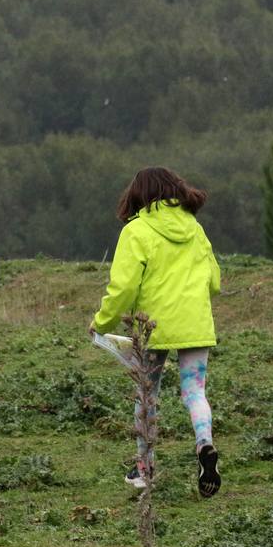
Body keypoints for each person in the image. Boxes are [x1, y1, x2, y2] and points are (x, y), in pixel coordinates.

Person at [89, 166, 222, 498]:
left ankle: (144, 468)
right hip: (195, 324)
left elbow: (123, 288)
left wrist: (102, 323)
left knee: (147, 395)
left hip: (153, 327)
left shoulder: (137, 231)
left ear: (137, 195)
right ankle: (204, 443)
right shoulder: (194, 227)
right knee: (195, 391)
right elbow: (215, 281)